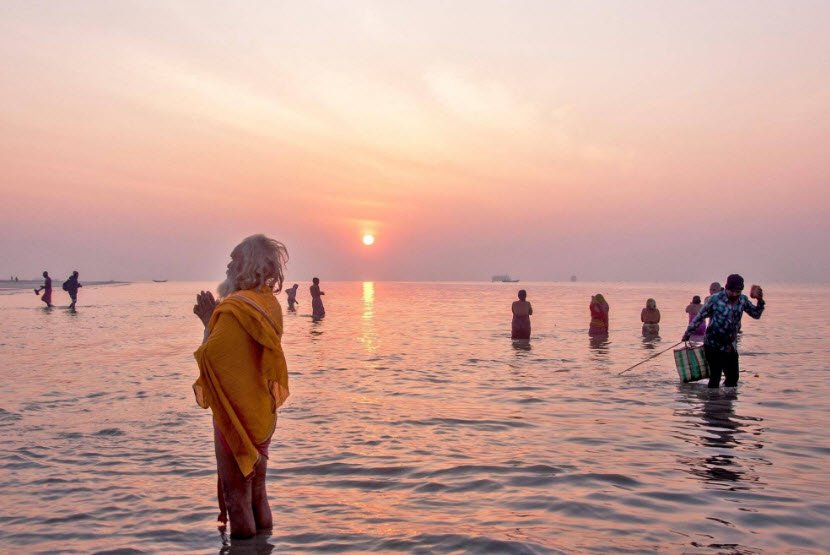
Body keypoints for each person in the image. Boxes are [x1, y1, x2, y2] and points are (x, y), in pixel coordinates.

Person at [192, 234, 291, 540]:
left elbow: (213, 356)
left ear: (247, 263)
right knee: (258, 492)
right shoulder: (267, 304)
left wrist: (209, 321)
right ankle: (265, 546)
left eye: (234, 258)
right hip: (261, 412)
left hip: (237, 413)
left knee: (237, 499)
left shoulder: (235, 306)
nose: (228, 264)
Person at [683, 274, 765, 388]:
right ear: (727, 288)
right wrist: (687, 333)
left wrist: (760, 300)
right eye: (733, 291)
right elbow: (699, 317)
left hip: (729, 345)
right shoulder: (715, 299)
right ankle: (712, 403)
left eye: (738, 291)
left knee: (733, 379)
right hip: (713, 344)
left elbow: (756, 314)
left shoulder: (742, 300)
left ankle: (725, 403)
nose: (735, 294)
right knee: (715, 378)